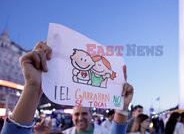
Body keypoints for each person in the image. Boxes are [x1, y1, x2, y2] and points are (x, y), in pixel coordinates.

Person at [1, 41, 134, 134]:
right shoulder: (64, 133)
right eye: (77, 114)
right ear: (72, 117)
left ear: (90, 115)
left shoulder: (104, 132)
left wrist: (122, 108)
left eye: (83, 114)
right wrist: (32, 87)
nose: (80, 118)